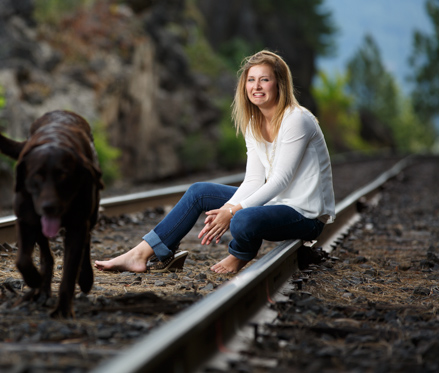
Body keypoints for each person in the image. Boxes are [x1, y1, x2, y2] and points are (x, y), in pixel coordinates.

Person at [94, 50, 335, 274]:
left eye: (265, 80)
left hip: (304, 215)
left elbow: (280, 179)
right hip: (274, 204)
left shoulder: (297, 119)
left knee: (242, 218)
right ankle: (141, 253)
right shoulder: (255, 123)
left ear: (279, 84)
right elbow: (253, 180)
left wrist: (232, 210)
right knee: (200, 192)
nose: (256, 86)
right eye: (251, 80)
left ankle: (239, 255)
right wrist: (226, 208)